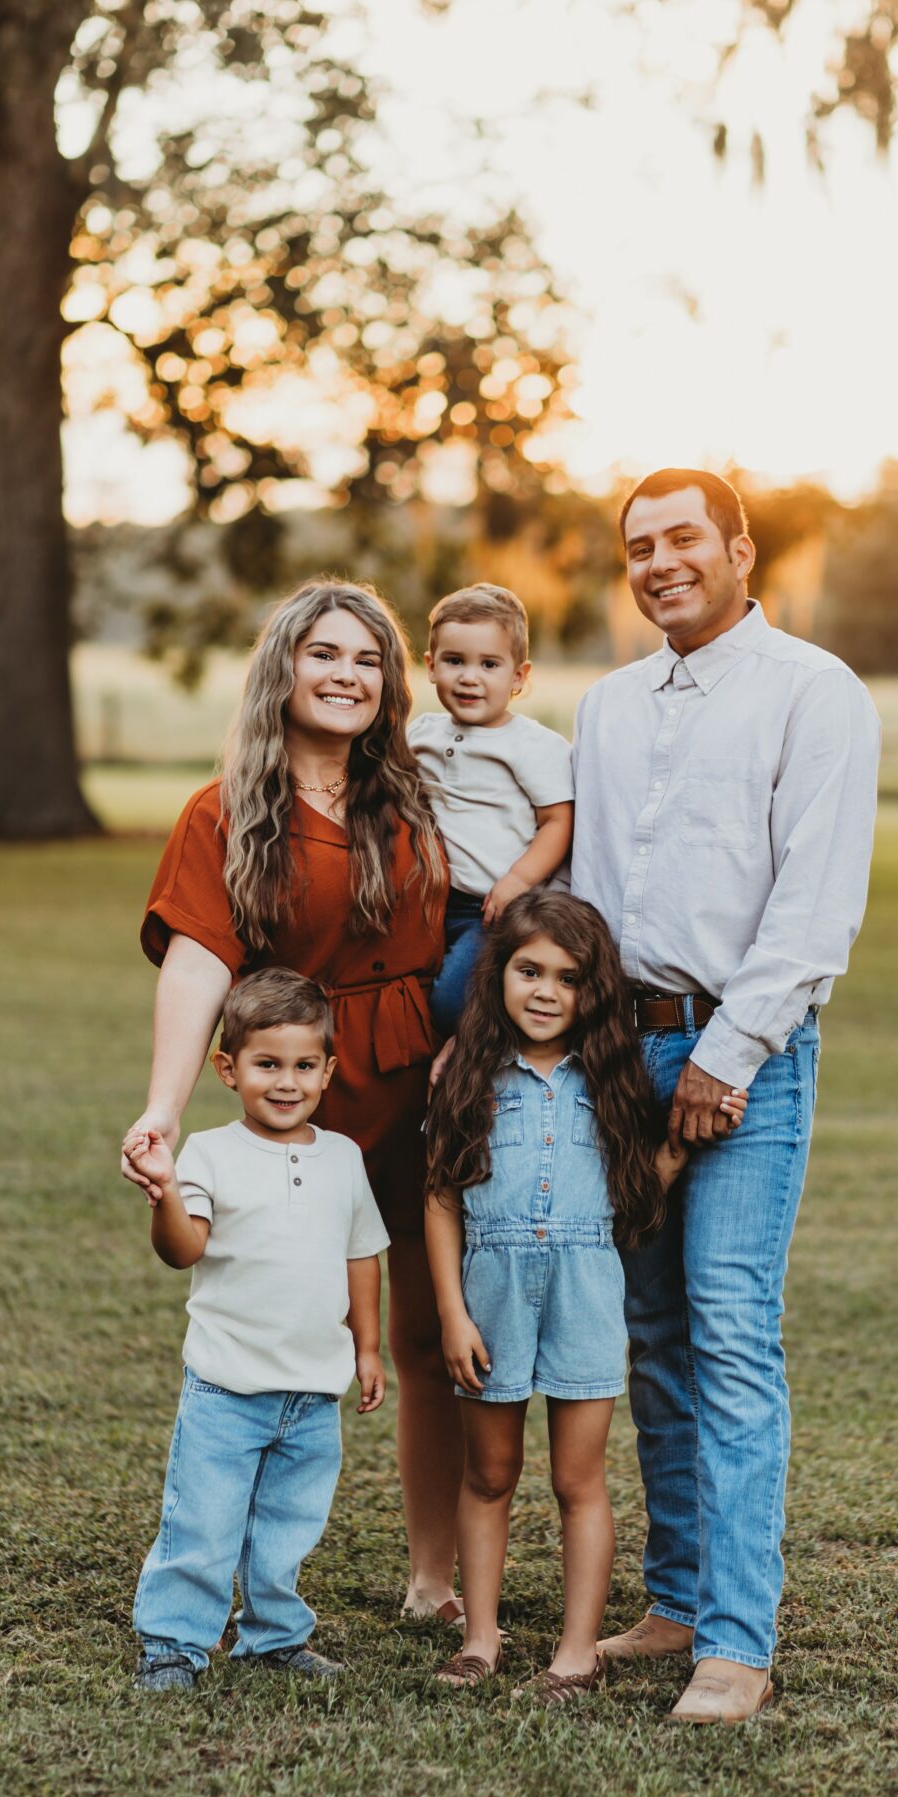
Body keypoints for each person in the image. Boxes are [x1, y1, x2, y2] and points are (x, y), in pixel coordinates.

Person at [572, 468, 880, 1725]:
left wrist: (726, 1054)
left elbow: (815, 902)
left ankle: (737, 1643)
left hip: (742, 1055)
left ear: (741, 547)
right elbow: (588, 890)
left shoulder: (815, 692)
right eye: (638, 545)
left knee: (730, 1330)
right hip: (617, 1054)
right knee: (648, 1334)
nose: (658, 562)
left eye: (683, 536)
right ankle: (680, 1595)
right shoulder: (605, 704)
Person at [121, 580, 465, 1627]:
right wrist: (164, 1111)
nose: (346, 674)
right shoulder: (223, 809)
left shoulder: (419, 793)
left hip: (416, 1079)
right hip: (295, 1093)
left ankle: (433, 1577)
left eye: (366, 659)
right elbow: (195, 962)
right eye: (324, 653)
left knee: (420, 1333)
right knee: (256, 1327)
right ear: (283, 665)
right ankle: (219, 1580)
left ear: (388, 683)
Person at [423, 889, 746, 1702]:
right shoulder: (465, 1073)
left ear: (591, 993)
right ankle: (481, 1639)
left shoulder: (612, 1081)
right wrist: (452, 1314)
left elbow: (636, 1202)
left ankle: (575, 1653)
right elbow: (439, 1198)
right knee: (489, 1473)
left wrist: (684, 1138)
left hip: (585, 1293)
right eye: (528, 971)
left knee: (579, 1481)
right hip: (489, 1291)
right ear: (497, 974)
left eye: (567, 979)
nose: (543, 992)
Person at [125, 969, 389, 1691]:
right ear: (227, 1068)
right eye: (267, 1064)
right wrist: (165, 1193)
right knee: (202, 1525)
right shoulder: (210, 1154)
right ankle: (175, 1643)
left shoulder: (342, 1158)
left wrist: (367, 1347)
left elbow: (361, 1254)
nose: (286, 1081)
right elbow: (183, 1249)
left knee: (287, 1527)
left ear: (328, 1070)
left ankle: (273, 1637)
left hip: (311, 1391)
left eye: (304, 1065)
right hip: (226, 1386)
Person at [409, 583, 574, 1035]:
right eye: (454, 661)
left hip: (499, 906)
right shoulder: (421, 735)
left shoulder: (532, 746)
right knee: (415, 993)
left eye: (489, 665)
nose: (469, 677)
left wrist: (517, 882)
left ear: (518, 676)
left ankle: (482, 1054)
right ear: (430, 666)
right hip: (435, 902)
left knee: (450, 1003)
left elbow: (558, 822)